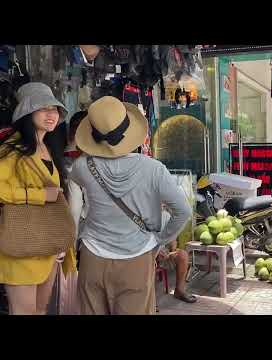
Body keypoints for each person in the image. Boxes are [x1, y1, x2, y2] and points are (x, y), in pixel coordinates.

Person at [70, 96, 192, 315]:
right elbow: (182, 211)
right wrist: (160, 240)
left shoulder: (81, 167)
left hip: (93, 259)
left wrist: (77, 237)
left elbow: (75, 206)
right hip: (137, 257)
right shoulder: (154, 169)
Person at [0, 82, 76, 315]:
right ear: (27, 112)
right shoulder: (12, 148)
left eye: (54, 109)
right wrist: (38, 195)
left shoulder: (49, 149)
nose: (51, 114)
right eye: (43, 109)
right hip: (21, 244)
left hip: (47, 246)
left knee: (41, 310)